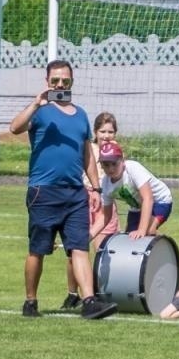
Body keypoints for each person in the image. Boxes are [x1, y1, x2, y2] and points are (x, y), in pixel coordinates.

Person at [10, 59, 117, 320]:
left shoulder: (81, 115)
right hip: (43, 191)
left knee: (79, 247)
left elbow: (86, 155)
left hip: (75, 193)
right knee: (38, 250)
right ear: (47, 81)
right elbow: (14, 128)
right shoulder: (40, 111)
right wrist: (36, 102)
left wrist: (94, 187)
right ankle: (30, 301)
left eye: (65, 81)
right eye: (55, 80)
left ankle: (89, 301)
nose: (60, 84)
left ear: (72, 81)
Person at [63, 111, 121, 309]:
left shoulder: (117, 151)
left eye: (110, 131)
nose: (106, 135)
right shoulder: (89, 148)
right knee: (77, 250)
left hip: (107, 204)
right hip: (86, 200)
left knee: (105, 249)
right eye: (102, 131)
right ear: (95, 132)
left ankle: (100, 293)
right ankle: (72, 294)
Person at [97, 140, 173, 239]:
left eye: (114, 164)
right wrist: (88, 236)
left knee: (148, 231)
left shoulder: (133, 168)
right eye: (106, 165)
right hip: (137, 207)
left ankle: (165, 248)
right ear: (101, 165)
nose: (111, 169)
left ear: (122, 160)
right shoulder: (105, 184)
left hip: (160, 201)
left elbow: (148, 198)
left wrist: (142, 229)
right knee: (130, 240)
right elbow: (105, 216)